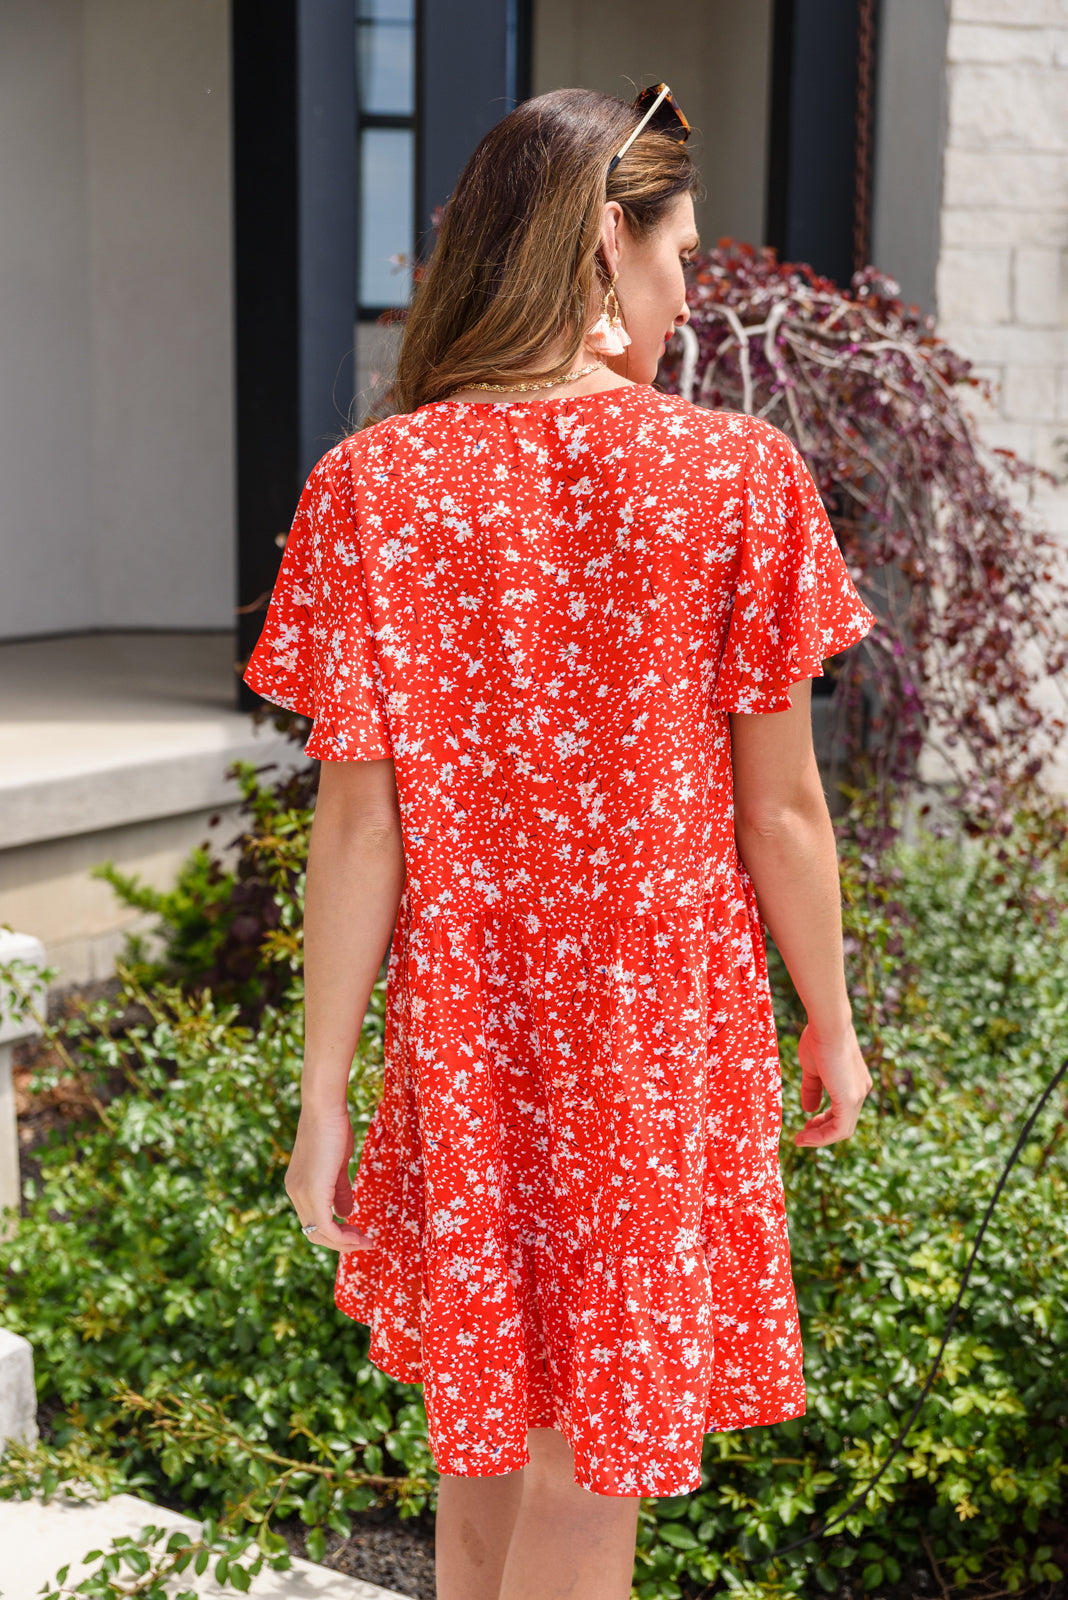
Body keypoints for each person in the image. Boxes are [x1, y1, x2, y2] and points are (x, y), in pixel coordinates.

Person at [243, 83, 876, 1600]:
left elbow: (355, 828)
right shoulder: (736, 479)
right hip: (656, 1040)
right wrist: (833, 1021)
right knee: (592, 1489)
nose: (682, 296)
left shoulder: (370, 488)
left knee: (485, 1469)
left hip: (465, 1043)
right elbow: (781, 806)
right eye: (677, 258)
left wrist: (324, 1089)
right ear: (606, 246)